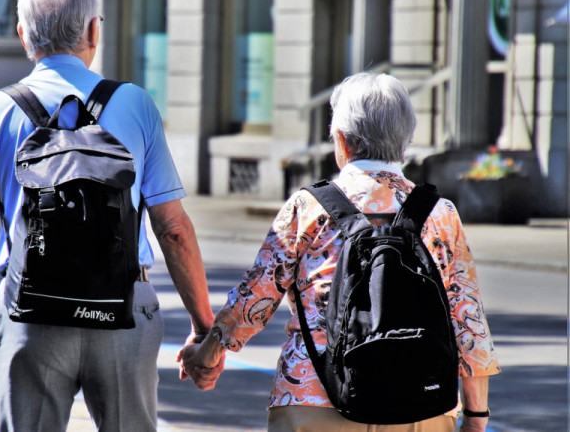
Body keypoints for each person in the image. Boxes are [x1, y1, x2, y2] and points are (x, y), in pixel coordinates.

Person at [0, 0, 221, 430]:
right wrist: (204, 328)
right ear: (92, 32)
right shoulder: (136, 105)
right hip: (123, 312)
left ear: (22, 36)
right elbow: (173, 228)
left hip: (31, 316)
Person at [180, 72, 500, 432]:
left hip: (313, 398)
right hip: (420, 403)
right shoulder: (440, 214)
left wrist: (208, 351)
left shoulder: (308, 207)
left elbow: (256, 297)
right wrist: (476, 415)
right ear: (405, 142)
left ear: (343, 141)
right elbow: (468, 319)